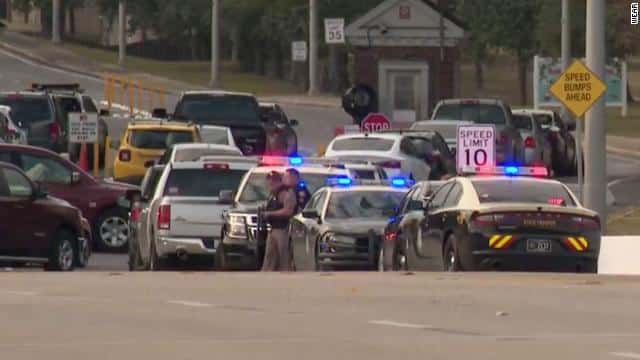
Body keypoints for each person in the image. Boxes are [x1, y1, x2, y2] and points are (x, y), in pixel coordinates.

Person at [261, 171, 297, 271]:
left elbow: (288, 211)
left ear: (279, 182)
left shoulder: (286, 193)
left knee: (284, 256)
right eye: (269, 182)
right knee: (269, 256)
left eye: (273, 182)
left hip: (283, 229)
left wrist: (270, 214)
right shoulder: (273, 194)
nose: (270, 185)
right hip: (273, 229)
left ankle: (287, 276)